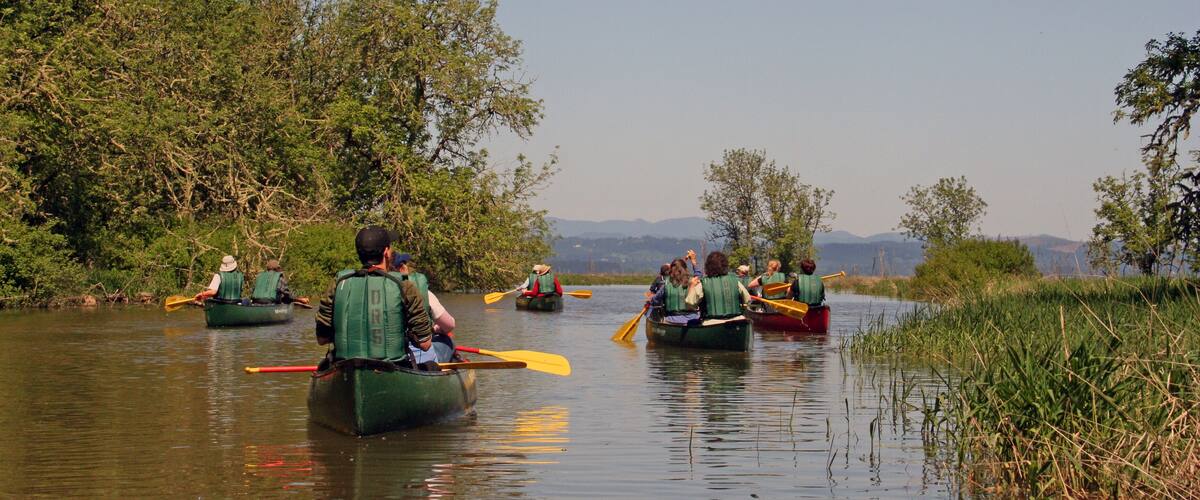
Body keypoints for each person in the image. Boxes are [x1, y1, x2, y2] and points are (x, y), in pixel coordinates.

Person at [313, 227, 442, 367]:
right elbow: (425, 344)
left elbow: (322, 339)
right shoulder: (404, 285)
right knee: (432, 366)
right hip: (393, 368)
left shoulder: (338, 283)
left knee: (324, 366)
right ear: (386, 252)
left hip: (346, 368)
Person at [392, 251, 455, 362]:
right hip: (419, 359)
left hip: (390, 357)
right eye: (403, 263)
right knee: (447, 340)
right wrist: (436, 329)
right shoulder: (423, 292)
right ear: (401, 269)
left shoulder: (375, 295)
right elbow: (450, 325)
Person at [686, 251, 752, 320]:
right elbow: (748, 299)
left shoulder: (703, 283)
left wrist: (692, 287)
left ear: (708, 266)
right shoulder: (735, 281)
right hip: (737, 321)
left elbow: (690, 304)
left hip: (711, 323)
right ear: (725, 265)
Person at [646, 259, 701, 324]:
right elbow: (698, 275)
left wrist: (650, 301)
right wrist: (694, 262)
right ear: (686, 269)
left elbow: (655, 300)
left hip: (672, 321)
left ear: (671, 271)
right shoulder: (694, 281)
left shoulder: (666, 285)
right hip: (693, 320)